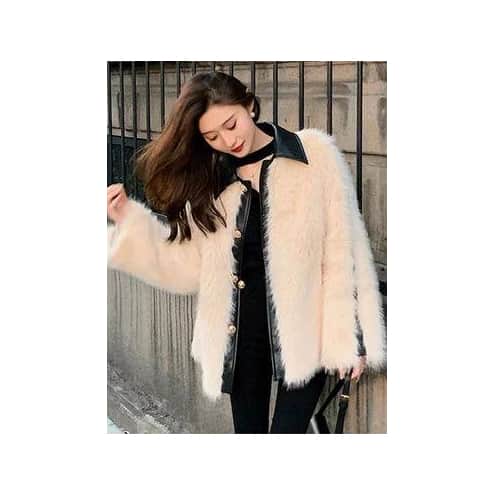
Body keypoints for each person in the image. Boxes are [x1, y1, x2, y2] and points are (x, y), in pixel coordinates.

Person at [107, 71, 386, 433]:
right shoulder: (212, 184)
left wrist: (351, 338)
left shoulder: (314, 156)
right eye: (212, 137)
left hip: (306, 333)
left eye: (231, 124)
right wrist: (128, 219)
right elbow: (186, 266)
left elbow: (343, 250)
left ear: (250, 106)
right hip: (241, 339)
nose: (228, 141)